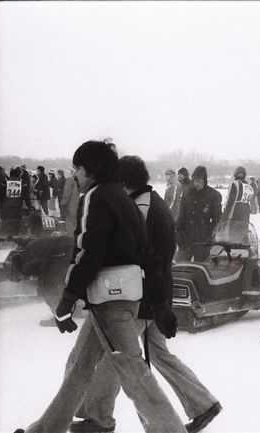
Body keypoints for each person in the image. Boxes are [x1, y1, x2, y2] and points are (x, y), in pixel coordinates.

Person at [14, 140, 187, 433]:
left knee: (133, 373)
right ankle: (46, 429)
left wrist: (66, 300)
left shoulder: (96, 196)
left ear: (90, 170)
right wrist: (159, 304)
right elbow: (148, 253)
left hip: (110, 302)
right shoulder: (121, 196)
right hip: (117, 300)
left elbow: (87, 253)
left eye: (77, 169)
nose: (74, 176)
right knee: (80, 367)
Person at [68, 155, 221, 433]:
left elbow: (136, 255)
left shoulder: (140, 208)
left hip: (139, 297)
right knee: (157, 354)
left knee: (117, 358)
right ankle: (202, 404)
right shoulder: (151, 201)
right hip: (154, 293)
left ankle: (99, 418)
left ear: (124, 182)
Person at [176, 166, 223, 262]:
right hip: (186, 237)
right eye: (195, 181)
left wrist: (210, 235)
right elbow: (181, 214)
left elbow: (217, 219)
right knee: (180, 265)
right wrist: (178, 231)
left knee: (200, 267)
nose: (197, 184)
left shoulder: (213, 195)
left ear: (204, 181)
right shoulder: (186, 192)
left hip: (202, 239)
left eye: (200, 181)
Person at [222, 166, 254, 243]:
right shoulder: (249, 186)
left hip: (235, 212)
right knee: (243, 234)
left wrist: (225, 216)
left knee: (233, 235)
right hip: (246, 212)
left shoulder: (235, 184)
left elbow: (230, 200)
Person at [0, 166, 25, 236]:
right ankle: (15, 234)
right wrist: (28, 205)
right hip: (18, 204)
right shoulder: (21, 181)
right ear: (18, 174)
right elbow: (25, 194)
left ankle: (7, 235)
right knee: (16, 220)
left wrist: (1, 203)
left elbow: (2, 193)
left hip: (7, 204)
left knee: (7, 219)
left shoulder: (6, 181)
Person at [59, 168, 80, 233]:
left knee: (70, 224)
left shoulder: (70, 179)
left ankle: (71, 239)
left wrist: (63, 204)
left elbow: (66, 194)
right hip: (79, 205)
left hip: (71, 205)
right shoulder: (82, 180)